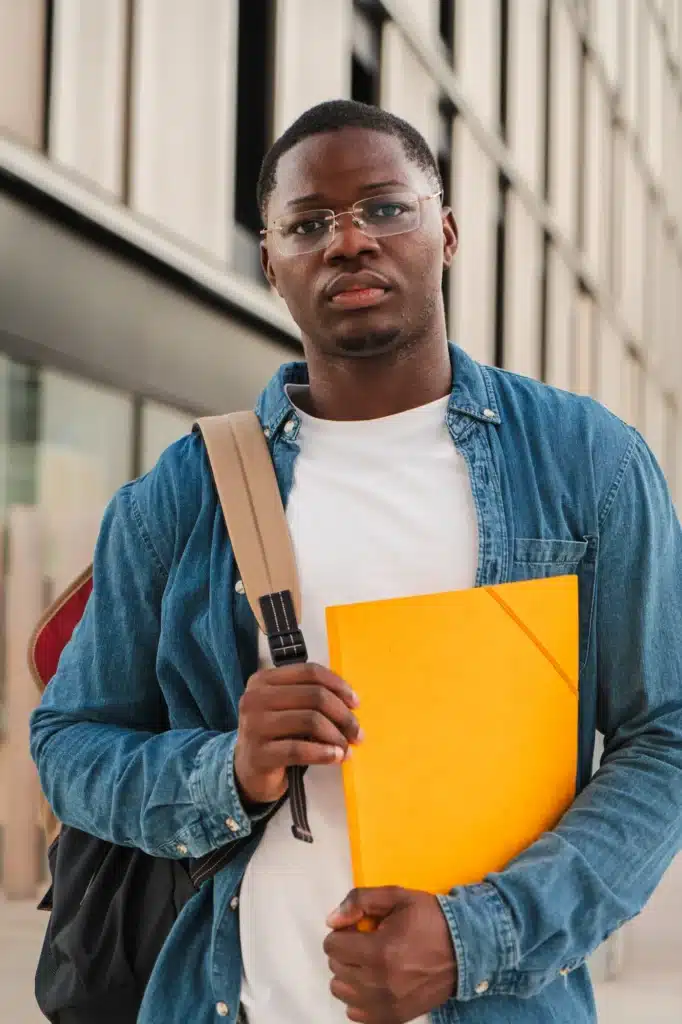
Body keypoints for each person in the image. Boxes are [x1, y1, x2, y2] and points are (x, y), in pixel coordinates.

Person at [31, 98, 682, 1024]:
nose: (349, 242)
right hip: (236, 1000)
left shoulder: (588, 465)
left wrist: (478, 937)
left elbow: (665, 735)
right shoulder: (183, 496)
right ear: (271, 264)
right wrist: (231, 769)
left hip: (502, 1000)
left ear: (446, 231)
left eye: (385, 208)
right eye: (308, 223)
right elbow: (69, 745)